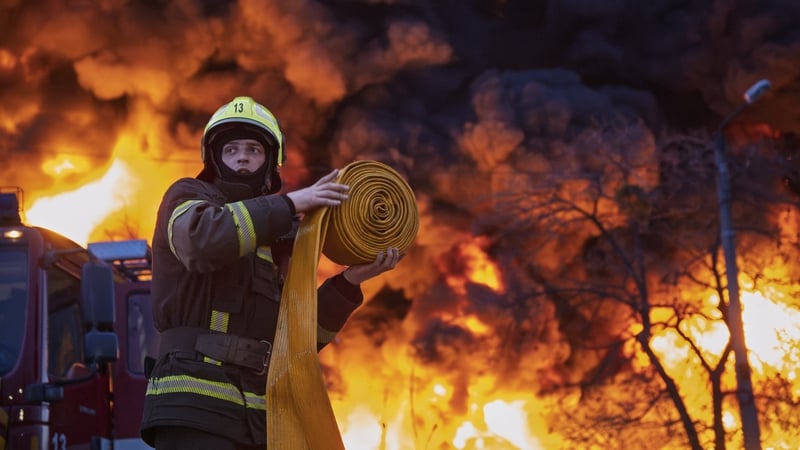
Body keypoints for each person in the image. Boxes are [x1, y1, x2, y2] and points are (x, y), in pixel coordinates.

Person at [140, 96, 402, 449]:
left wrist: (350, 280)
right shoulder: (188, 197)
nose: (243, 157)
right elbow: (201, 242)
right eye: (231, 149)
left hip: (259, 420)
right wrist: (293, 204)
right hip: (193, 409)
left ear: (270, 162)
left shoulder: (276, 244)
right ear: (214, 159)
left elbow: (296, 342)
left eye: (253, 149)